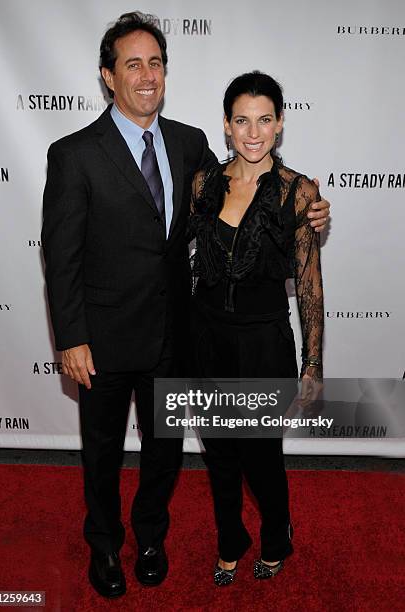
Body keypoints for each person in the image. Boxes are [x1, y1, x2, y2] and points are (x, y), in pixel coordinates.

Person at [41, 12, 329, 598]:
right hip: (101, 341)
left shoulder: (188, 144)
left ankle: (149, 537)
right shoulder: (73, 154)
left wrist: (311, 213)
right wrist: (70, 337)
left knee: (164, 452)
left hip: (178, 338)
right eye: (133, 64)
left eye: (156, 64)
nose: (147, 76)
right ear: (107, 76)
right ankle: (104, 548)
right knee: (100, 454)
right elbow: (59, 254)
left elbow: (245, 193)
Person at [189, 71, 324, 585]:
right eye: (241, 120)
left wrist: (312, 363)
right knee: (219, 452)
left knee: (261, 456)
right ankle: (230, 540)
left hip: (264, 343)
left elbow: (309, 286)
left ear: (280, 123)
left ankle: (275, 535)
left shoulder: (298, 192)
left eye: (264, 119)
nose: (253, 132)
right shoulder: (205, 183)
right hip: (208, 340)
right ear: (226, 125)